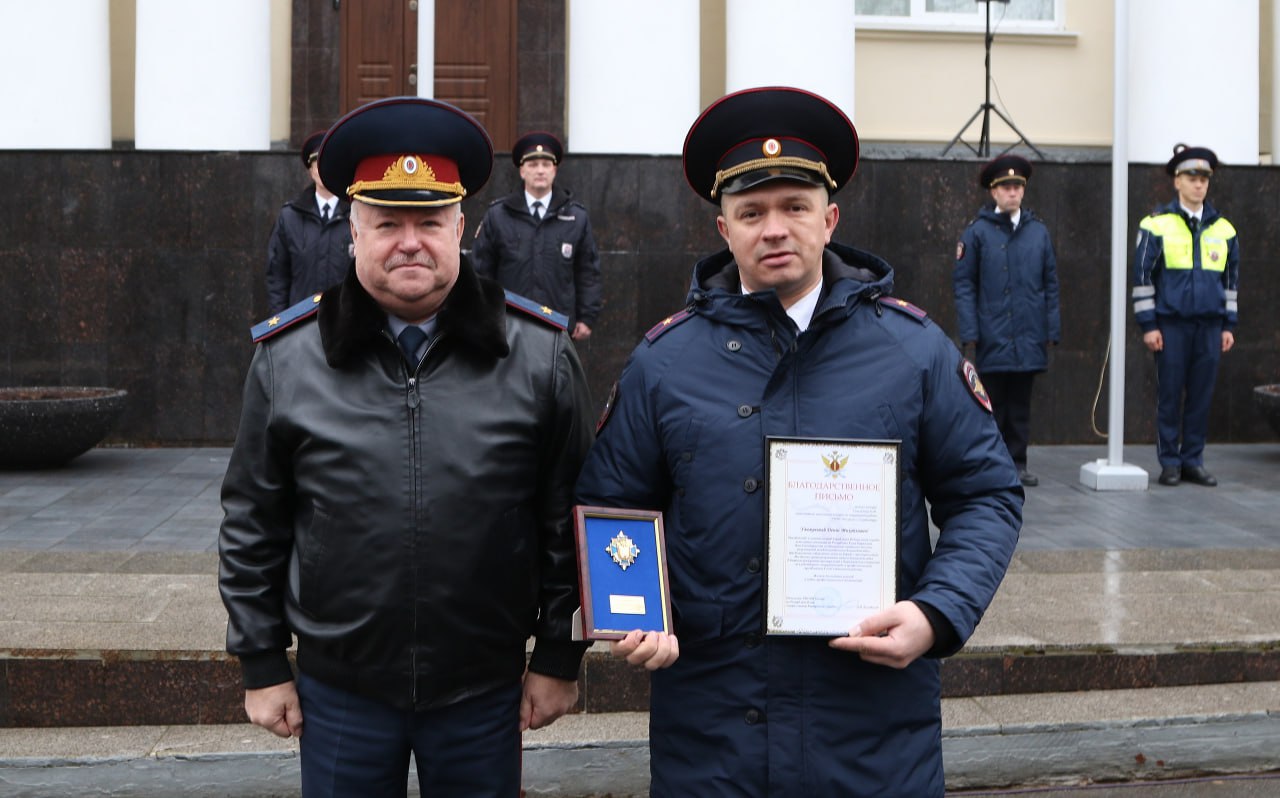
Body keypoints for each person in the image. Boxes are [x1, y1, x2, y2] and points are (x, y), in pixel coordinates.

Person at [573, 87, 1023, 797]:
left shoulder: (913, 352)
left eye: (795, 207)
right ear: (724, 229)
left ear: (830, 219)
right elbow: (613, 504)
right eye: (752, 213)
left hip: (871, 730)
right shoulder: (664, 362)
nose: (774, 229)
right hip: (715, 731)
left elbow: (987, 495)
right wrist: (637, 611)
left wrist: (936, 611)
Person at [219, 97, 594, 797]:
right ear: (353, 231)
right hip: (340, 692)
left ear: (461, 228)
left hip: (484, 689)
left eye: (429, 222)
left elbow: (566, 517)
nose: (409, 242)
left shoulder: (538, 355)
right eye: (387, 223)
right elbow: (253, 521)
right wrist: (261, 660)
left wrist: (558, 654)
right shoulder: (288, 358)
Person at [1133, 144, 1240, 487]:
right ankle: (1170, 463)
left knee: (1201, 397)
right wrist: (1149, 325)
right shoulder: (1156, 224)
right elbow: (1143, 277)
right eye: (1192, 178)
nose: (1198, 185)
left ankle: (1193, 460)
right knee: (1169, 395)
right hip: (1171, 325)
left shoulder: (1224, 229)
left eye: (1204, 179)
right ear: (1177, 181)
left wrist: (1228, 325)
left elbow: (1231, 283)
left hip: (1210, 325)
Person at [953, 154, 1061, 487]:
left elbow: (1050, 283)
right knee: (992, 403)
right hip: (993, 334)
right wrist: (970, 333)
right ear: (993, 192)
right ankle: (993, 462)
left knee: (1020, 405)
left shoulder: (1038, 232)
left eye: (1017, 186)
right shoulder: (977, 233)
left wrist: (1052, 329)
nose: (1012, 192)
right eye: (1005, 187)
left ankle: (1018, 462)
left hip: (1029, 333)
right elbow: (965, 285)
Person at [470, 131, 602, 341]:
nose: (540, 170)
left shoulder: (576, 217)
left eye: (546, 164)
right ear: (522, 171)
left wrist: (587, 316)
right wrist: (484, 316)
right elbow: (481, 270)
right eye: (532, 165)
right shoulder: (498, 215)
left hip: (558, 326)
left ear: (554, 170)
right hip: (510, 325)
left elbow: (588, 271)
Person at [266, 129, 354, 314]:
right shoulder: (290, 217)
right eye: (317, 163)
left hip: (346, 321)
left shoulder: (357, 215)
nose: (323, 169)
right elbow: (278, 276)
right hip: (300, 320)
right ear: (310, 171)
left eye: (330, 164)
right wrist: (282, 322)